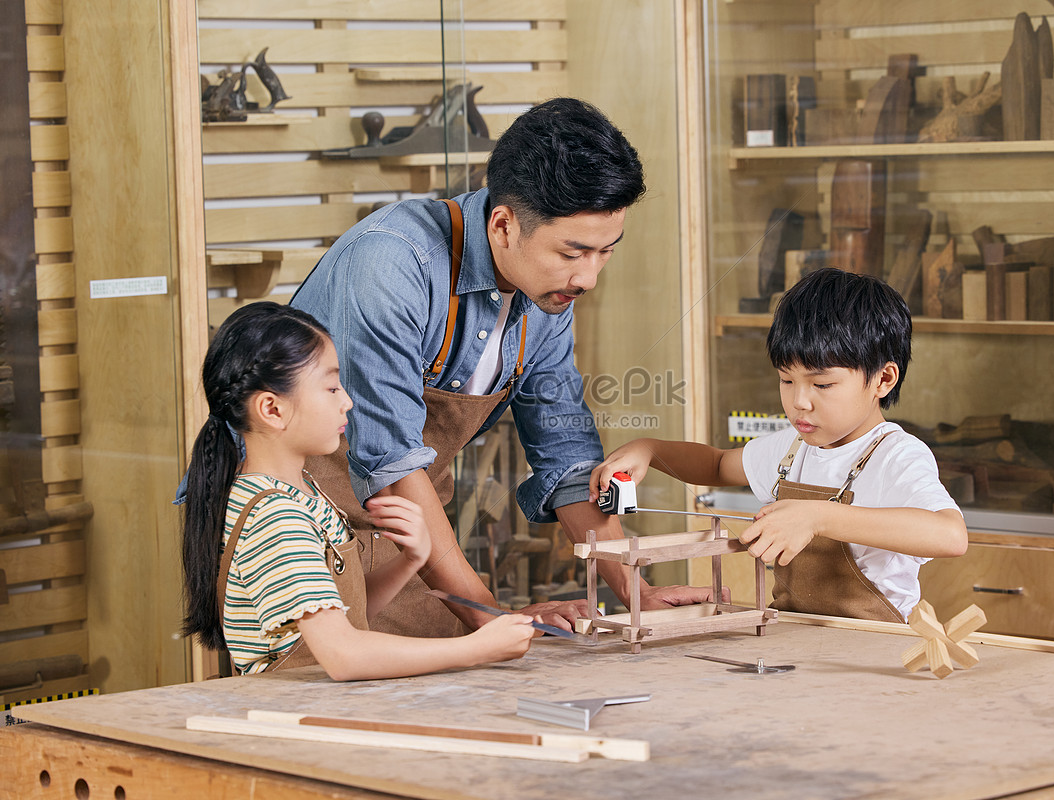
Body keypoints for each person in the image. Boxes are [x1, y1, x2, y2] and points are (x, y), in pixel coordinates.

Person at [291, 97, 714, 635]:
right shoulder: (393, 263)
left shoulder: (548, 296)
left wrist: (637, 593)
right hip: (297, 533)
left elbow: (566, 461)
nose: (589, 278)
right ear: (503, 225)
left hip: (412, 543)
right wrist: (494, 615)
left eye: (606, 252)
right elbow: (392, 467)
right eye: (572, 252)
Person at [180, 302, 535, 679]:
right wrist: (476, 648)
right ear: (272, 408)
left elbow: (343, 612)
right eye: (331, 388)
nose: (347, 401)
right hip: (290, 720)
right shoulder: (276, 517)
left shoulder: (302, 492)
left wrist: (409, 560)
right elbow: (343, 654)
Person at [589, 268, 968, 622]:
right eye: (787, 381)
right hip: (791, 634)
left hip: (872, 647)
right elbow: (717, 465)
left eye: (822, 385)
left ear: (883, 379)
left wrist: (818, 517)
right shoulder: (792, 448)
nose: (800, 401)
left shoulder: (895, 455)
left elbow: (949, 535)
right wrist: (651, 450)